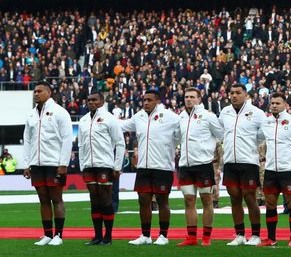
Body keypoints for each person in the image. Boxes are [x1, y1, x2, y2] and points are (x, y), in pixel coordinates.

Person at [122, 90, 181, 246]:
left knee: (162, 200)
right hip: (143, 166)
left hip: (163, 166)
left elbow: (183, 129)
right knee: (143, 200)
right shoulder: (139, 116)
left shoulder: (170, 116)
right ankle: (145, 235)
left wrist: (173, 144)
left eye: (149, 100)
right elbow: (121, 125)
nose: (146, 103)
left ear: (158, 101)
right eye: (144, 100)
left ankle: (163, 235)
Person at [20, 81, 73, 246]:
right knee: (43, 199)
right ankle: (47, 234)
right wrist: (26, 164)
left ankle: (58, 235)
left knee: (56, 198)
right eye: (35, 91)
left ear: (49, 93)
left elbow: (67, 139)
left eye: (40, 91)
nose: (36, 94)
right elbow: (27, 140)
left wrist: (63, 163)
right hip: (36, 163)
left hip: (54, 163)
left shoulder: (60, 112)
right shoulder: (31, 115)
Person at [258, 92, 291, 247]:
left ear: (285, 105)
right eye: (272, 103)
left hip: (287, 169)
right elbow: (256, 138)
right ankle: (271, 238)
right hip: (270, 169)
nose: (274, 105)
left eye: (278, 103)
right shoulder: (266, 122)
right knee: (270, 204)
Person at [219, 83, 267, 246]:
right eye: (232, 93)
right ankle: (240, 234)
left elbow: (263, 133)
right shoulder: (225, 112)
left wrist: (251, 143)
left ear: (246, 95)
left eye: (238, 92)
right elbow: (220, 131)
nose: (234, 95)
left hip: (248, 161)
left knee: (250, 197)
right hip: (230, 160)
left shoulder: (257, 113)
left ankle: (256, 235)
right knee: (234, 198)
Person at [176, 87, 224, 246]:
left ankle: (206, 237)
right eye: (186, 97)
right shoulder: (181, 116)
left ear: (199, 99)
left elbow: (221, 135)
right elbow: (177, 137)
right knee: (189, 200)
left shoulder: (208, 116)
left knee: (206, 200)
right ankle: (191, 237)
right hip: (185, 165)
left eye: (192, 97)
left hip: (203, 165)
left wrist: (210, 151)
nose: (188, 99)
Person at [78, 92, 126, 245]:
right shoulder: (83, 120)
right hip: (88, 166)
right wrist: (82, 165)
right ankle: (97, 236)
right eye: (89, 100)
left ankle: (108, 236)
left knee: (105, 200)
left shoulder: (110, 118)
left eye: (94, 100)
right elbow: (80, 145)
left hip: (105, 165)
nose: (91, 102)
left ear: (102, 101)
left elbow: (120, 143)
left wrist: (117, 166)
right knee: (94, 200)